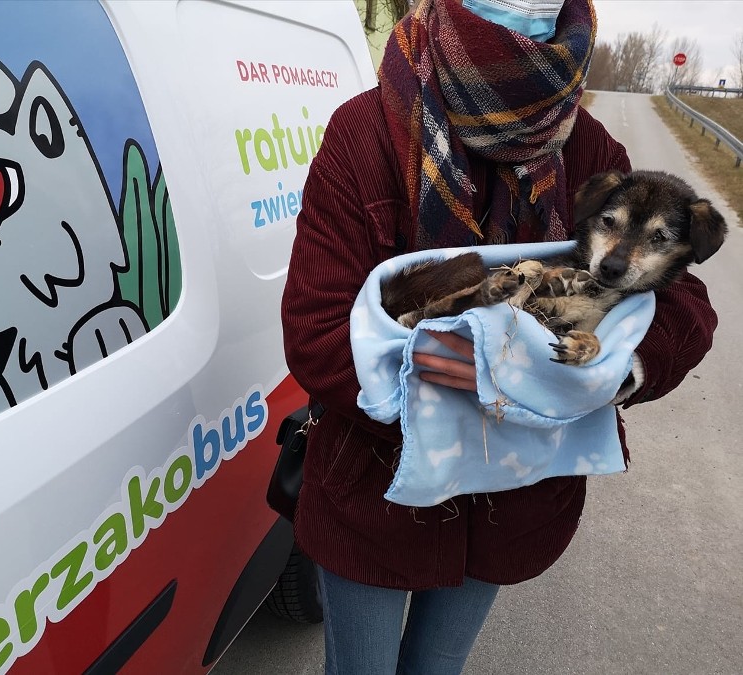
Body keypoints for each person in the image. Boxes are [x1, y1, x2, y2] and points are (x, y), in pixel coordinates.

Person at [280, 0, 718, 673]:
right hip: (375, 489)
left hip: (512, 497)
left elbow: (683, 301)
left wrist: (606, 373)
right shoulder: (363, 134)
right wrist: (457, 372)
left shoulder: (587, 146)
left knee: (437, 667)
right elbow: (315, 332)